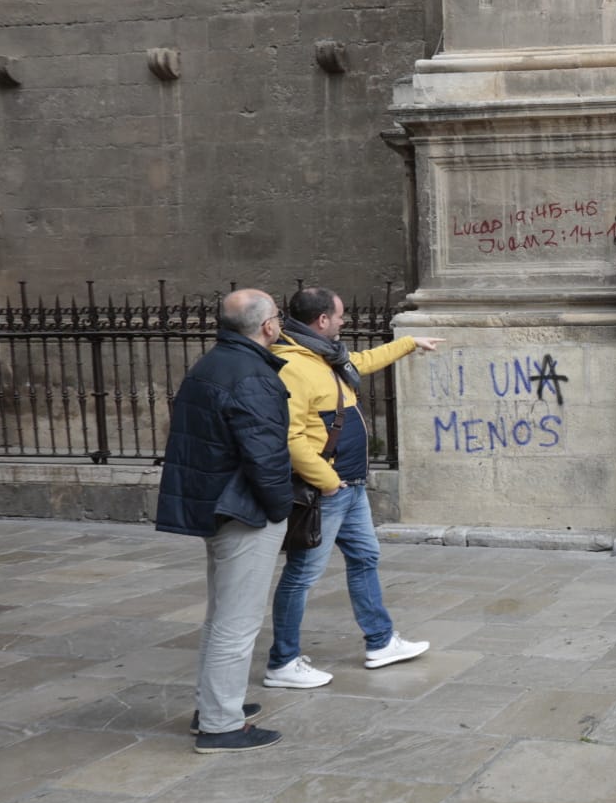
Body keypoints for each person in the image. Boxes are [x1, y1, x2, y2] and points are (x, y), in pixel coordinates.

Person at [261, 286, 443, 688]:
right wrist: (327, 483)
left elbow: (360, 360)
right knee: (302, 575)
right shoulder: (293, 364)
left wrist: (410, 343)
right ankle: (283, 661)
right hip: (328, 490)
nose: (344, 322)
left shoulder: (325, 357)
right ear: (322, 320)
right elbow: (290, 437)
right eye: (340, 316)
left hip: (350, 486)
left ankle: (380, 642)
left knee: (365, 558)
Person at [155, 288, 292, 753]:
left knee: (221, 616)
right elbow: (266, 455)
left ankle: (213, 707)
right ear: (267, 326)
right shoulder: (251, 374)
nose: (279, 323)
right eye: (278, 316)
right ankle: (220, 724)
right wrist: (280, 509)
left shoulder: (214, 362)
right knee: (237, 621)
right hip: (243, 509)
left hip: (217, 503)